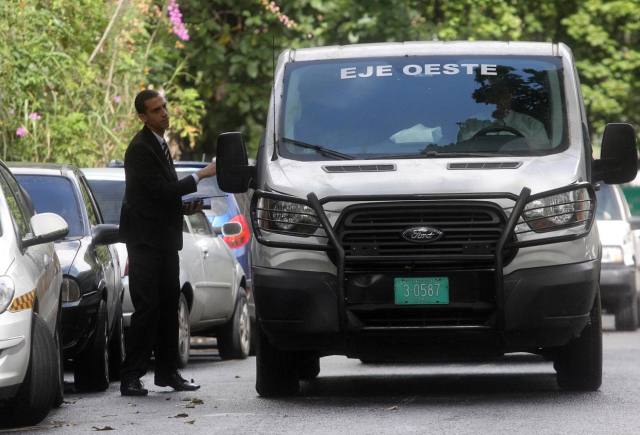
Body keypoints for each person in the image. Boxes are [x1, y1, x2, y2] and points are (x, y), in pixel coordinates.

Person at [118, 89, 216, 396]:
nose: (164, 113)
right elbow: (161, 191)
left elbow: (160, 198)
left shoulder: (160, 146)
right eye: (156, 110)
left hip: (164, 240)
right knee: (147, 308)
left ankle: (167, 372)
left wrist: (186, 207)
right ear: (143, 116)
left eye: (164, 107)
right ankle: (131, 376)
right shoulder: (140, 148)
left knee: (168, 307)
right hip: (145, 243)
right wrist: (201, 175)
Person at [456, 85, 550, 148]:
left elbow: (542, 160)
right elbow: (460, 153)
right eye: (494, 96)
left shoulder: (531, 125)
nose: (498, 101)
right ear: (487, 100)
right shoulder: (471, 125)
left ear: (510, 97)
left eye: (502, 96)